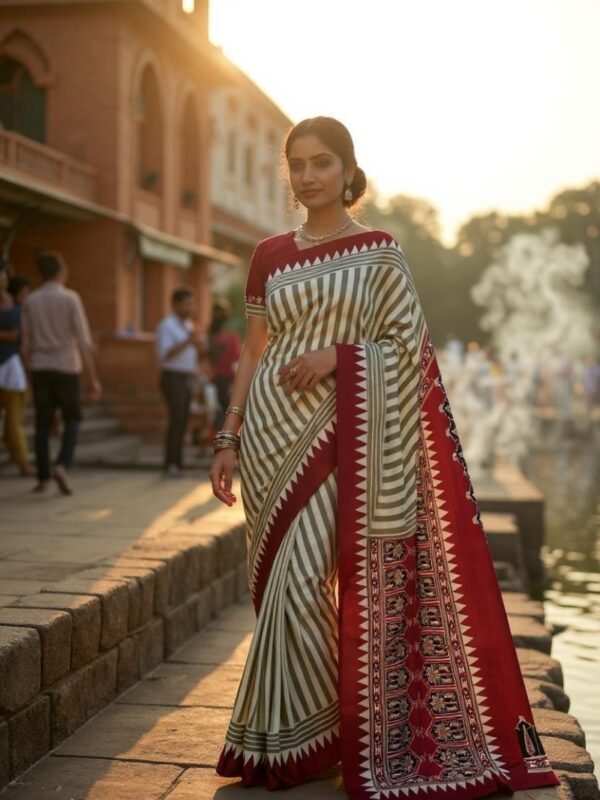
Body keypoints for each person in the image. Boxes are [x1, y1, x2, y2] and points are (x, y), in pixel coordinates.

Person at [209, 117, 560, 798]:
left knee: (305, 578)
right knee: (280, 585)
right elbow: (253, 351)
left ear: (347, 170)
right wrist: (230, 435)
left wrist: (339, 358)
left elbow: (407, 351)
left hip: (345, 438)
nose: (307, 176)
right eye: (297, 164)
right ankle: (298, 738)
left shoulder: (380, 251)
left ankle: (307, 740)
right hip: (272, 438)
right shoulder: (269, 253)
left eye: (321, 163)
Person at [21, 251, 102, 494]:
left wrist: (28, 376)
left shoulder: (30, 301)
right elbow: (83, 342)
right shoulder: (70, 298)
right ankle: (62, 464)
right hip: (67, 366)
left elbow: (25, 345)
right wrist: (93, 379)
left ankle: (43, 476)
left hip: (40, 367)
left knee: (43, 423)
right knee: (72, 419)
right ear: (60, 271)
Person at [156, 288, 206, 476]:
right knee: (176, 419)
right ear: (176, 304)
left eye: (192, 304)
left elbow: (194, 351)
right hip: (172, 377)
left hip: (186, 377)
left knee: (183, 420)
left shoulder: (188, 325)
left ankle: (178, 462)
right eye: (187, 303)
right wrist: (188, 341)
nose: (191, 307)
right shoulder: (166, 326)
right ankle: (170, 463)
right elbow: (165, 355)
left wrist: (199, 343)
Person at [0, 266, 31, 476]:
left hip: (12, 364)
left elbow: (21, 335)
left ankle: (22, 462)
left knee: (14, 419)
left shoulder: (15, 306)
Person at [208, 298, 242, 431]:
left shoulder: (231, 332)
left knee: (225, 409)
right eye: (215, 312)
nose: (217, 315)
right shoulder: (211, 331)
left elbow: (237, 355)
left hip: (228, 377)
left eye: (220, 312)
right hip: (214, 377)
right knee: (214, 409)